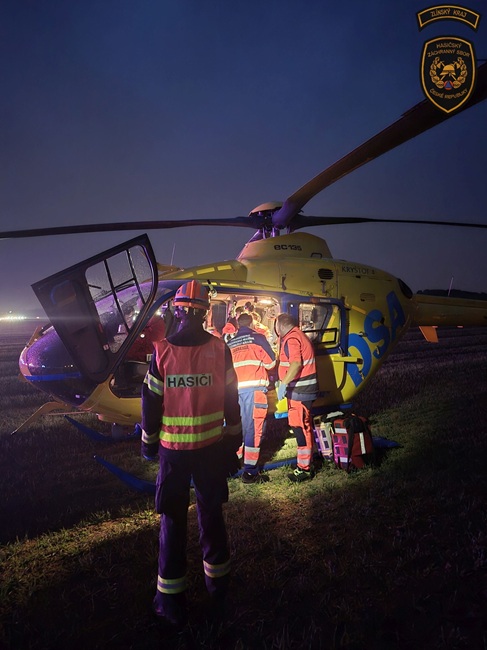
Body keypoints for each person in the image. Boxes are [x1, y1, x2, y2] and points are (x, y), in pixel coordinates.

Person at [141, 280, 242, 627]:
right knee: (211, 516)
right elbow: (231, 399)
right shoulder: (220, 349)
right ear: (205, 312)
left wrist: (148, 445)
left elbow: (150, 405)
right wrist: (233, 440)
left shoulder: (162, 352)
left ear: (179, 310)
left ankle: (170, 602)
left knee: (172, 521)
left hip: (173, 453)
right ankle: (219, 587)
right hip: (211, 450)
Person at [226, 312, 276, 484]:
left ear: (238, 325)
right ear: (252, 323)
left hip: (234, 393)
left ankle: (234, 461)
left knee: (237, 428)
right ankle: (250, 472)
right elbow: (271, 363)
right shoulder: (258, 338)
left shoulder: (230, 343)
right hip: (254, 391)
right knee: (254, 430)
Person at [275, 313, 319, 483]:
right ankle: (305, 463)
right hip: (301, 391)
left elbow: (296, 363)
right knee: (303, 427)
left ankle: (304, 469)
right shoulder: (298, 335)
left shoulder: (292, 339)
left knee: (300, 428)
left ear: (280, 325)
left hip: (300, 391)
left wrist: (283, 383)